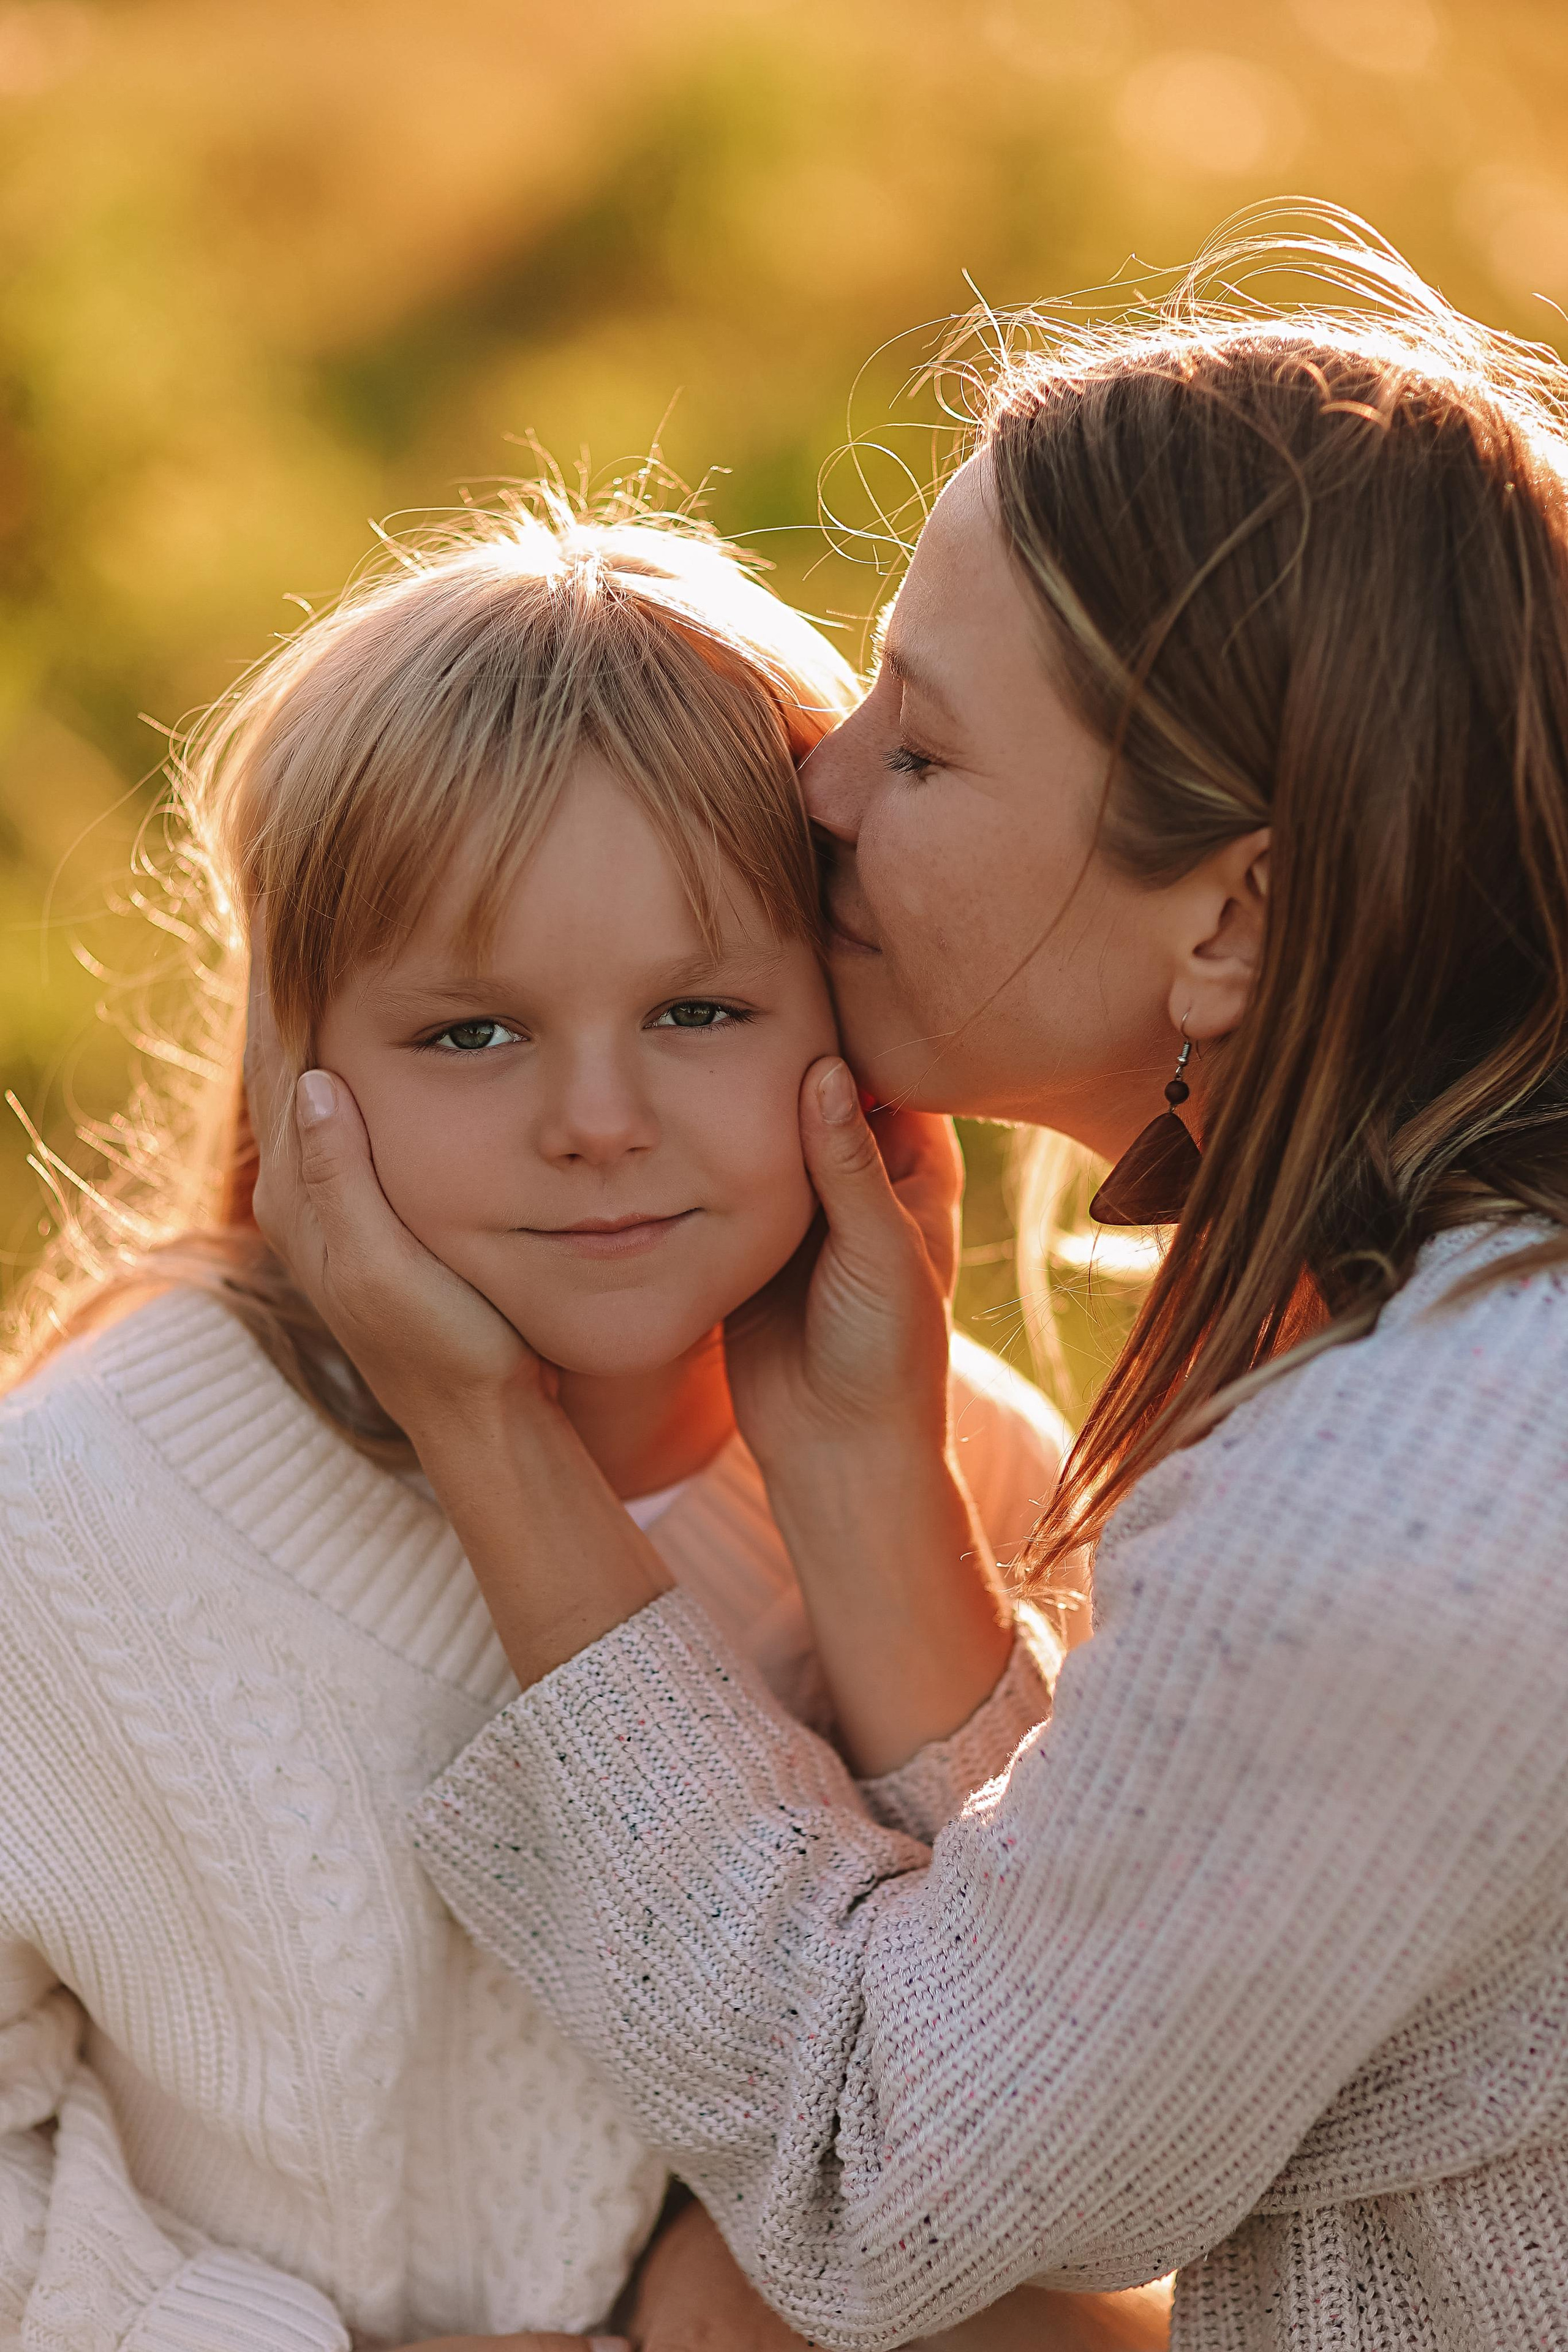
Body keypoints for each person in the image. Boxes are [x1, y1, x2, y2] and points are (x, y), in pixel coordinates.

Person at [249, 223, 1568, 2352]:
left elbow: (906, 2178)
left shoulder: (1404, 1503)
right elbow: (1099, 2062)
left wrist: (491, 1434)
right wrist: (860, 1462)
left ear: (1232, 919)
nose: (823, 790)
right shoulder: (1452, 1345)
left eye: (925, 751)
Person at [0, 502, 1125, 2350]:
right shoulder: (75, 1516)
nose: (597, 1117)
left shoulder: (968, 1471)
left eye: (700, 1008)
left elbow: (1074, 2129)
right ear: (305, 1058)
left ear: (843, 1018)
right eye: (474, 1033)